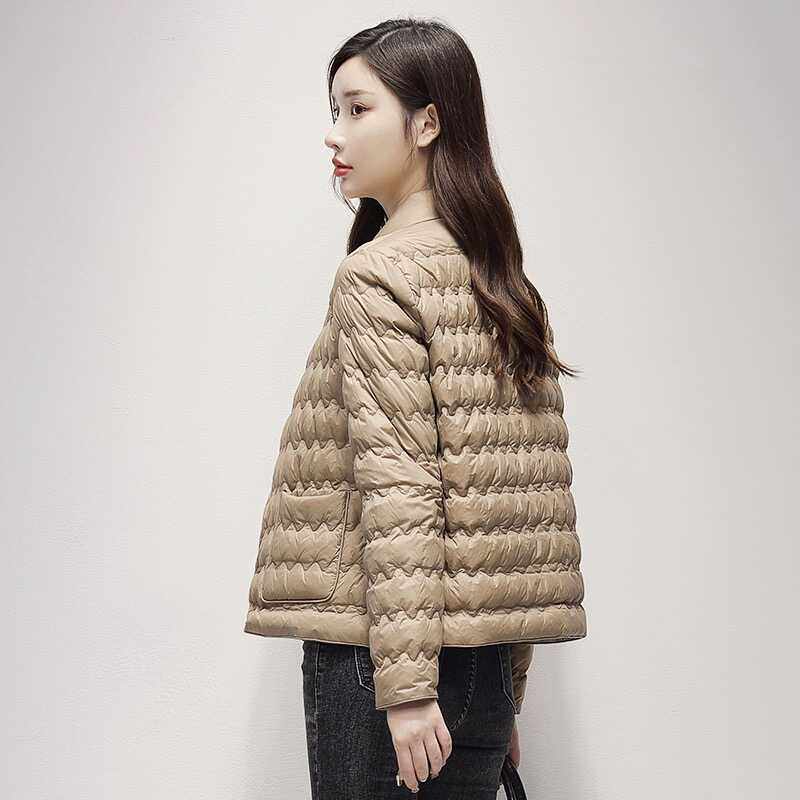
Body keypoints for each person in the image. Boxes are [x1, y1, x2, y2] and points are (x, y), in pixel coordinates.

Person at [243, 16, 587, 799]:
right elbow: (514, 516)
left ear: (427, 123)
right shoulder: (503, 283)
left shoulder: (378, 275)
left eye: (358, 109)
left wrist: (405, 691)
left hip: (387, 669)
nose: (335, 133)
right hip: (476, 666)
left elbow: (398, 485)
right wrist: (501, 691)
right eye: (335, 110)